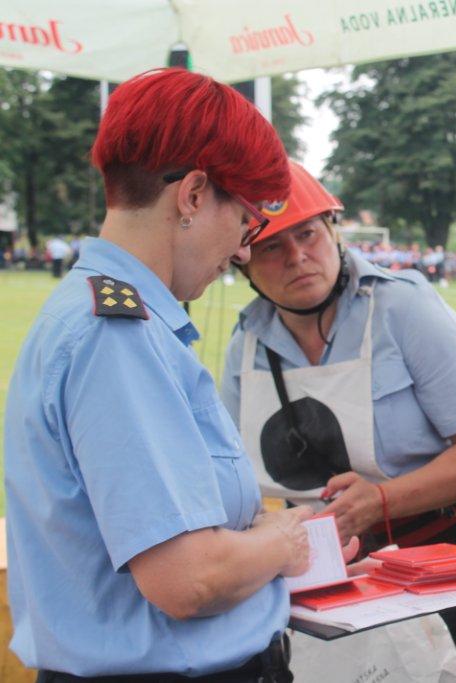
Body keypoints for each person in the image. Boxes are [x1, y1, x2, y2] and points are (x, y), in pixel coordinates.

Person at [4, 68, 312, 680]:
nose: (245, 251)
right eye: (248, 220)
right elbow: (187, 579)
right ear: (194, 195)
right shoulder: (116, 335)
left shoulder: (104, 318)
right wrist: (282, 545)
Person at [220, 160, 456, 683]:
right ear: (243, 261)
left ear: (332, 230)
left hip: (440, 558)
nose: (297, 257)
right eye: (271, 247)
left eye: (308, 234)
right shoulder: (245, 344)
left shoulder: (403, 308)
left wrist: (379, 503)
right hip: (324, 571)